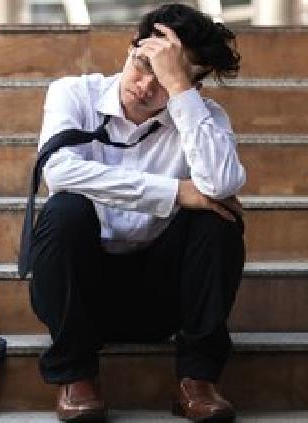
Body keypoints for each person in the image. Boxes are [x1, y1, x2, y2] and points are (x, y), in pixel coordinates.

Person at [21, 3, 245, 421]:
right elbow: (59, 171)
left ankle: (197, 380)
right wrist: (175, 192)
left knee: (218, 219)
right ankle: (76, 377)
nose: (145, 86)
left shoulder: (204, 116)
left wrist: (180, 91)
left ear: (192, 85)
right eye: (142, 65)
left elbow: (221, 186)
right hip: (80, 292)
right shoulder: (74, 94)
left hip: (162, 295)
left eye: (164, 79)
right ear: (130, 47)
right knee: (65, 209)